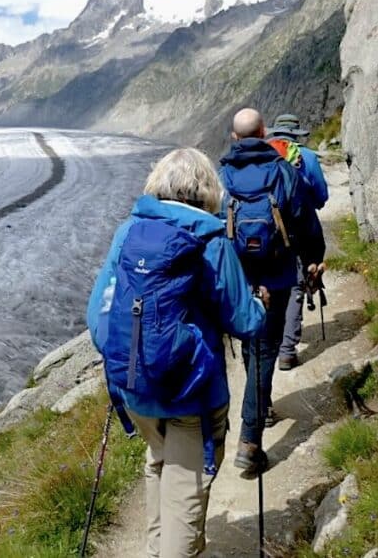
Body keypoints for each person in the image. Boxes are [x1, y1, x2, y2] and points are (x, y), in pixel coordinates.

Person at [87, 148, 266, 558]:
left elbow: (97, 319)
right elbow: (245, 321)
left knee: (159, 460)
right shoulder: (210, 239)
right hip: (192, 394)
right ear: (208, 189)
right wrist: (259, 305)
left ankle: (155, 548)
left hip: (134, 390)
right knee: (188, 487)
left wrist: (135, 361)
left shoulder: (129, 232)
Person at [219, 109, 325, 478]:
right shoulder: (283, 171)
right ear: (263, 133)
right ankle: (250, 441)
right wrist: (314, 259)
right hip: (278, 277)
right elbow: (306, 219)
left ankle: (259, 407)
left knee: (253, 345)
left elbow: (216, 228)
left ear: (234, 138)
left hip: (239, 281)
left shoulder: (223, 177)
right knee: (265, 348)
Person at [267, 113, 329, 371]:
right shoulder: (308, 158)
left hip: (265, 232)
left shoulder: (263, 157)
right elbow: (321, 197)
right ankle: (287, 351)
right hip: (300, 231)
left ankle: (267, 339)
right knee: (295, 287)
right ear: (297, 135)